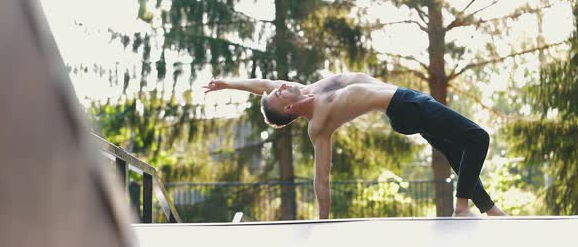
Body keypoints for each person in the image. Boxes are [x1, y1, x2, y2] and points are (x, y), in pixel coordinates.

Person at [203, 72, 508, 219]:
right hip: (405, 105)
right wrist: (323, 221)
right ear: (289, 110)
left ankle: (489, 209)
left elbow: (262, 85)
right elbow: (321, 177)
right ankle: (461, 208)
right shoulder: (319, 124)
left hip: (406, 105)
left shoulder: (307, 89)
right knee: (477, 138)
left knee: (455, 151)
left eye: (279, 86)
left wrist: (228, 84)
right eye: (280, 92)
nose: (280, 85)